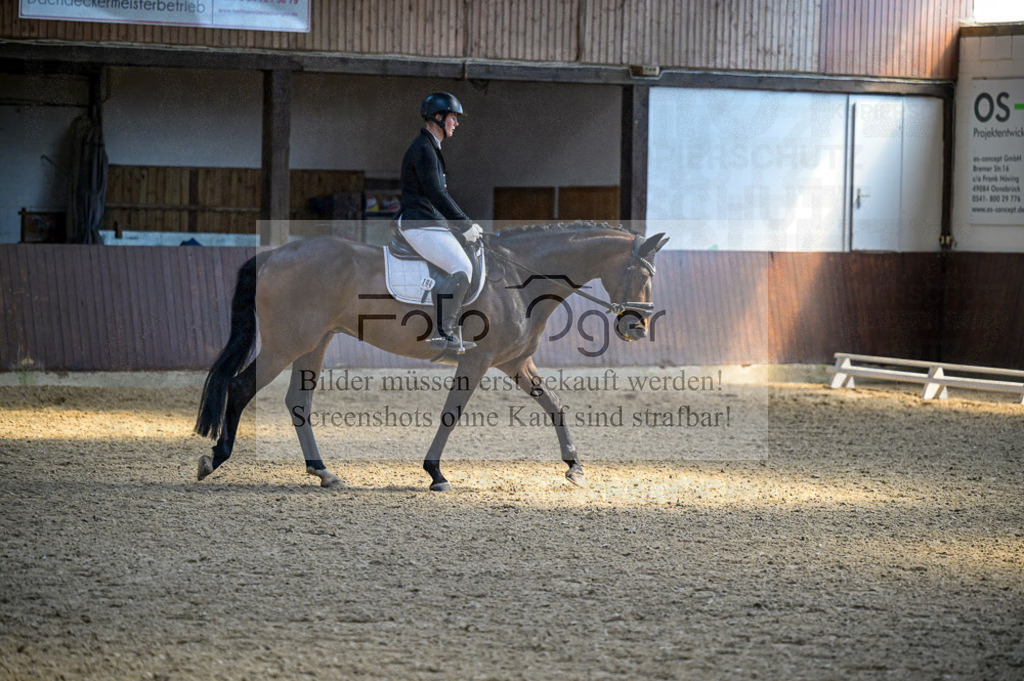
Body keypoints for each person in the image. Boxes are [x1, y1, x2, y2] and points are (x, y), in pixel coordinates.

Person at [397, 92, 483, 352]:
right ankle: (442, 334)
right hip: (419, 223)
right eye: (453, 117)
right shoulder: (424, 149)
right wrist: (464, 223)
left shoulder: (430, 147)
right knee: (461, 267)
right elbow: (437, 193)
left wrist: (462, 224)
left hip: (429, 221)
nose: (456, 123)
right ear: (438, 117)